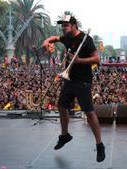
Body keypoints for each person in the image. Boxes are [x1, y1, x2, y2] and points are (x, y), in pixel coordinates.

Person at [42, 15, 105, 162]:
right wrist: (46, 41)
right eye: (62, 25)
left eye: (66, 25)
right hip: (69, 79)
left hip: (83, 81)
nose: (63, 28)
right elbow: (53, 37)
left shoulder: (86, 39)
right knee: (61, 105)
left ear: (73, 25)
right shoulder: (66, 37)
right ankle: (65, 135)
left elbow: (96, 59)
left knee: (89, 112)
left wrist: (79, 60)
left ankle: (100, 145)